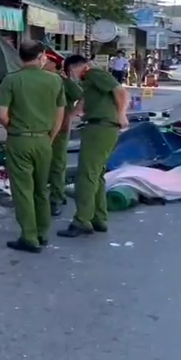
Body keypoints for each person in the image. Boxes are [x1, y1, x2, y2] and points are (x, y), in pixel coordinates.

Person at [0, 41, 66, 253]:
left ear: (20, 57)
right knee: (41, 189)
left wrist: (16, 130)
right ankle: (43, 233)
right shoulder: (55, 81)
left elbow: (2, 115)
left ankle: (29, 237)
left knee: (23, 190)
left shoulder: (11, 80)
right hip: (44, 140)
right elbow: (60, 113)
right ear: (41, 56)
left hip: (19, 139)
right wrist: (50, 136)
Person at [57, 55, 129, 238]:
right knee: (97, 175)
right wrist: (69, 118)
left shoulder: (94, 73)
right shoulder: (89, 82)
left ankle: (82, 220)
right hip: (99, 127)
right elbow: (83, 102)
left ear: (73, 68)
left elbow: (120, 91)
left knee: (86, 175)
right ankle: (99, 218)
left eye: (69, 72)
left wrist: (121, 114)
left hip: (101, 127)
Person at [46, 53, 85, 216]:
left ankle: (56, 198)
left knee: (56, 165)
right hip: (40, 129)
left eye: (47, 61)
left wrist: (72, 115)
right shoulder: (35, 79)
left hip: (60, 129)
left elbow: (80, 95)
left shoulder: (62, 81)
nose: (43, 63)